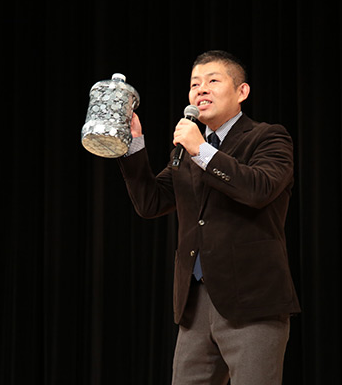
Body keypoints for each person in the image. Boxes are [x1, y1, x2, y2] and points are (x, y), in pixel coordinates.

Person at [117, 50, 300, 384]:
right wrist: (134, 145)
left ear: (242, 91)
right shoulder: (187, 151)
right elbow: (150, 202)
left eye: (213, 81)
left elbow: (258, 189)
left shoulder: (267, 136)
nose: (201, 89)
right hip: (196, 302)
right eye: (194, 84)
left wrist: (201, 150)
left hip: (252, 301)